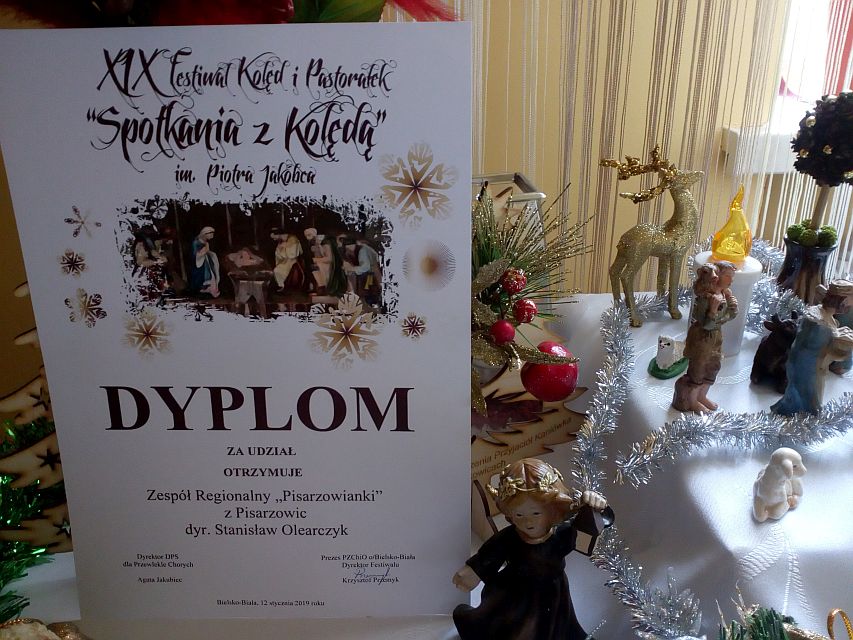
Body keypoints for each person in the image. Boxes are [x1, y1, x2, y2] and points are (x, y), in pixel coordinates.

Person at [452, 458, 609, 640]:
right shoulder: (511, 537)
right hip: (516, 595)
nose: (528, 522)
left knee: (556, 630)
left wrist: (594, 506)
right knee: (516, 631)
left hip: (553, 594)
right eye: (519, 515)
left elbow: (590, 527)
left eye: (536, 513)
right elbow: (490, 554)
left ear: (551, 509)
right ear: (509, 514)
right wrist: (474, 571)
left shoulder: (561, 534)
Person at [772, 279, 853, 415]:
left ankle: (803, 415)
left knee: (807, 397)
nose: (850, 307)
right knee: (808, 398)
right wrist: (840, 341)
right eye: (850, 302)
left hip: (811, 366)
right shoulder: (818, 320)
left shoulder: (826, 317)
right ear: (842, 301)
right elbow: (814, 348)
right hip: (807, 368)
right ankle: (803, 417)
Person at [672, 261, 738, 412]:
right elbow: (706, 325)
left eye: (732, 276)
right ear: (717, 276)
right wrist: (713, 311)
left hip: (716, 337)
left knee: (713, 367)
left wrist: (731, 304)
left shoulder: (724, 294)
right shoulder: (705, 299)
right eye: (728, 276)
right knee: (698, 370)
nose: (731, 280)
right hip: (702, 338)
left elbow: (731, 315)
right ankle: (692, 400)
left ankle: (701, 396)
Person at [343, 238, 382, 305]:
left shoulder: (362, 251)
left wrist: (351, 268)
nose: (349, 249)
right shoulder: (349, 252)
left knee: (370, 287)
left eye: (350, 247)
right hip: (368, 273)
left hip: (372, 272)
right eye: (348, 248)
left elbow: (366, 267)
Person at [189, 226, 220, 298]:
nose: (212, 236)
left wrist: (210, 253)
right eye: (210, 234)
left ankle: (210, 290)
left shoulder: (206, 243)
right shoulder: (196, 242)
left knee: (211, 274)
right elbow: (195, 254)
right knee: (200, 276)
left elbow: (208, 251)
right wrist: (202, 252)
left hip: (207, 261)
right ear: (205, 234)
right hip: (199, 262)